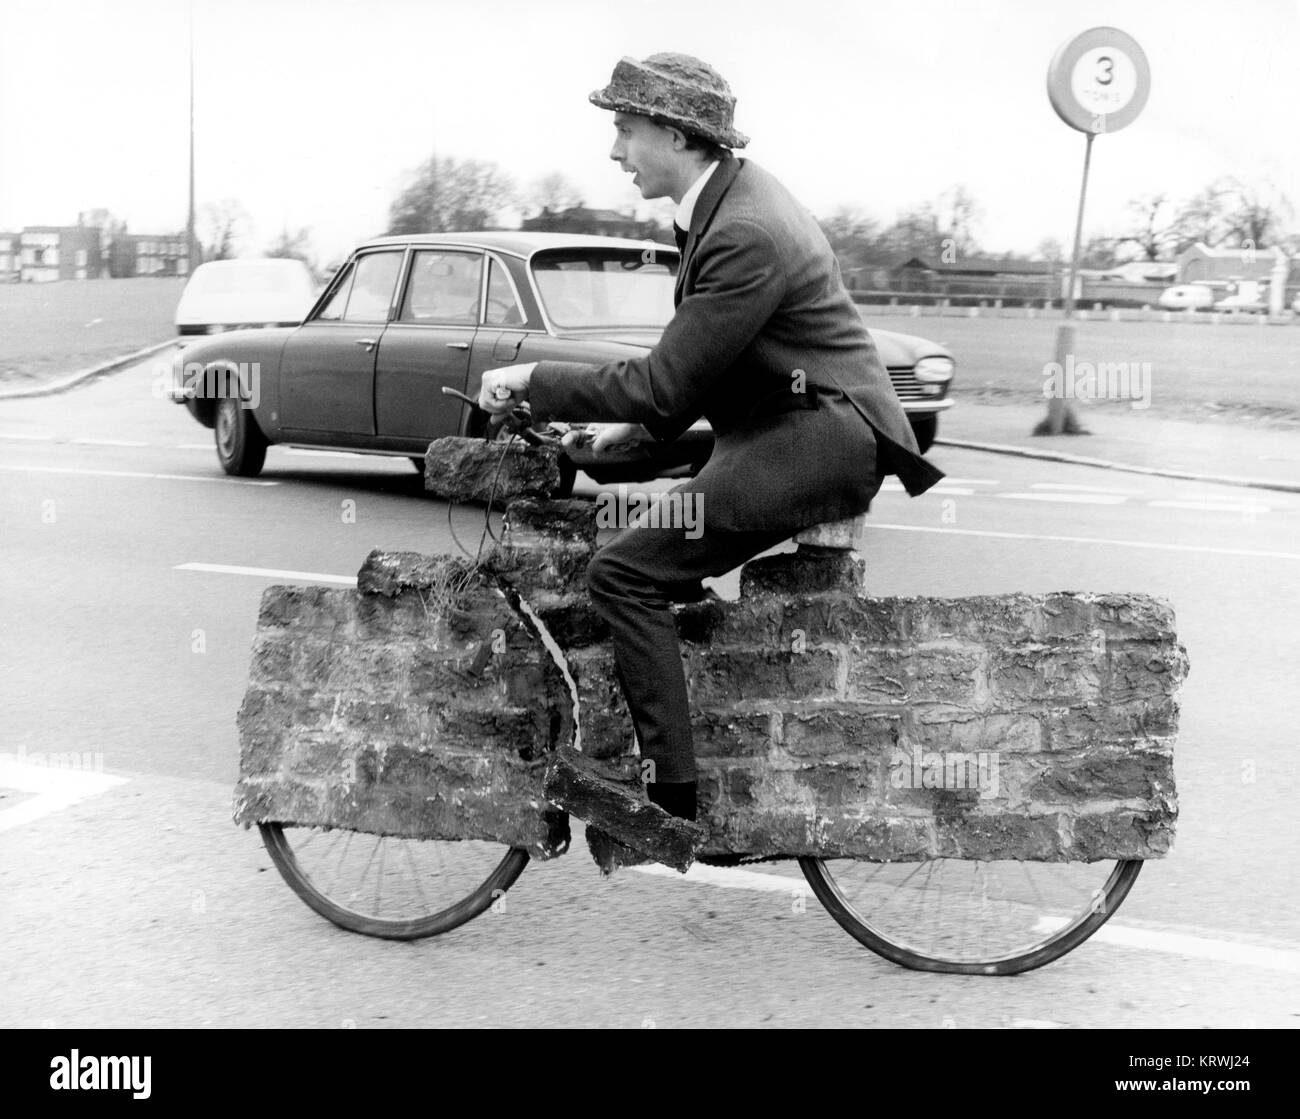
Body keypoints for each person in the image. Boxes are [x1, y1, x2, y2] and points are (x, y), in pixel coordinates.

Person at [479, 52, 942, 825]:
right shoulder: (725, 204)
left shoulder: (745, 231)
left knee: (625, 573)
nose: (615, 150)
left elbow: (664, 385)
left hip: (816, 440)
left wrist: (535, 378)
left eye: (625, 129)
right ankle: (690, 695)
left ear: (675, 133)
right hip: (780, 424)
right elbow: (683, 382)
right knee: (637, 520)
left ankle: (670, 801)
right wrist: (608, 433)